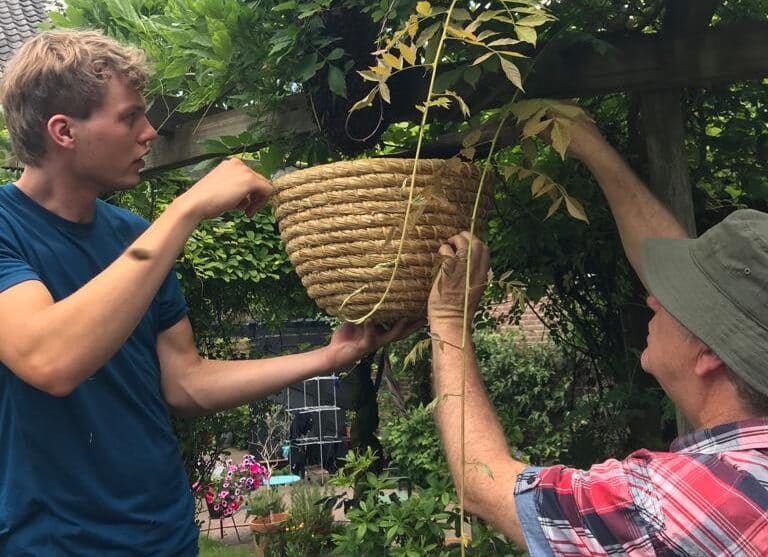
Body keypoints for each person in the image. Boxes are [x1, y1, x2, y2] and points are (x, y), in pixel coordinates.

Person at [0, 29, 414, 557]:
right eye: (129, 117)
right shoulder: (9, 227)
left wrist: (330, 356)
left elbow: (185, 382)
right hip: (51, 545)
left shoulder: (132, 236)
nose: (149, 132)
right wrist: (186, 209)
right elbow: (50, 359)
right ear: (63, 131)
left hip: (165, 535)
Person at [428, 117, 768, 556]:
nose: (653, 300)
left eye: (676, 299)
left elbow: (483, 482)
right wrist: (589, 145)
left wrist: (450, 319)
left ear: (707, 353)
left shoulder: (675, 505)